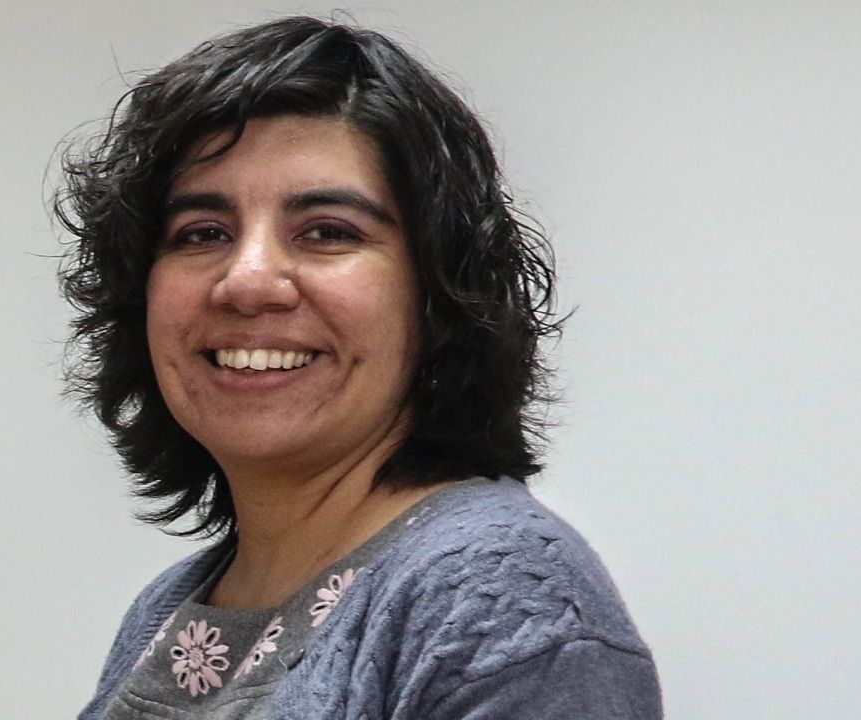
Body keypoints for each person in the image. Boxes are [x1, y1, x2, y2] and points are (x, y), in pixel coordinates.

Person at [58, 16, 661, 719]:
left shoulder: (500, 599)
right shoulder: (167, 611)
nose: (247, 281)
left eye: (326, 231)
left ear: (437, 295)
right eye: (203, 233)